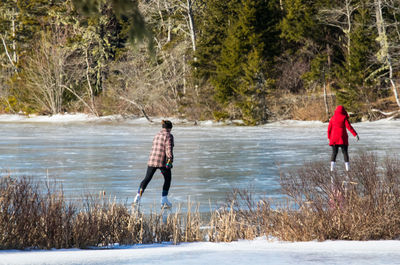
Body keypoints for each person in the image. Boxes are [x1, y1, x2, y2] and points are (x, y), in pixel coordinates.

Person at [134, 120, 174, 208]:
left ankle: (137, 197)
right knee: (168, 179)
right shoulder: (169, 136)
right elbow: (168, 149)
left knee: (147, 179)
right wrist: (170, 160)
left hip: (152, 160)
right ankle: (164, 200)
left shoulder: (157, 134)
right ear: (170, 128)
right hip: (162, 161)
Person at [327, 105, 359, 171]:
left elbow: (329, 129)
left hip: (334, 138)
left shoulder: (332, 118)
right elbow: (349, 127)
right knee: (345, 153)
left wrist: (329, 137)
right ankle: (347, 169)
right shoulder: (344, 118)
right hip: (342, 138)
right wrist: (355, 134)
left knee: (334, 153)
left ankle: (332, 169)